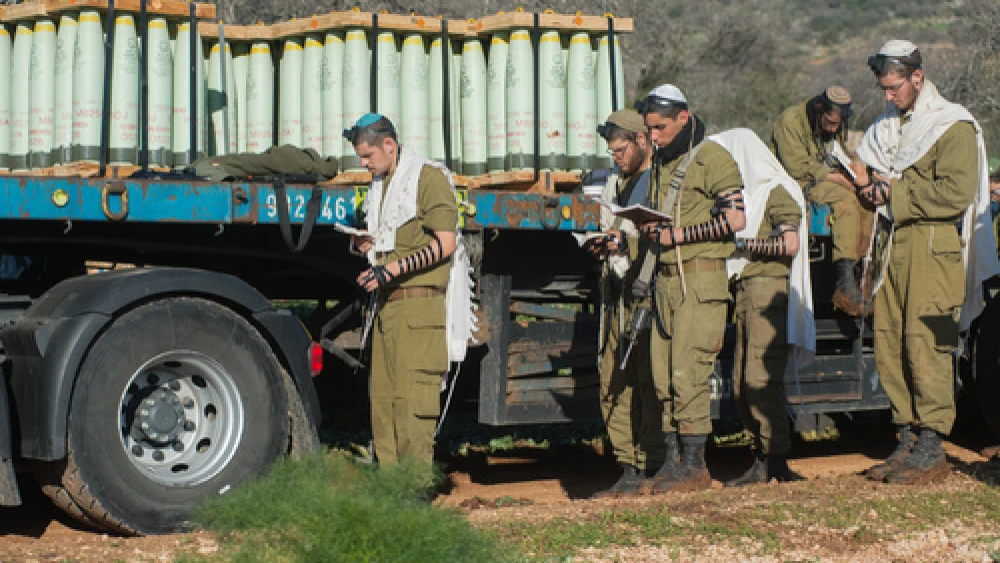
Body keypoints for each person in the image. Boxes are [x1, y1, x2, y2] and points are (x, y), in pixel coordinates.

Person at [857, 40, 1000, 484]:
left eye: (895, 87)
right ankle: (908, 436)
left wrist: (893, 192)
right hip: (891, 244)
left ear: (917, 78)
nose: (888, 96)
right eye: (883, 88)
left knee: (926, 343)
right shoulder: (885, 128)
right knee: (890, 341)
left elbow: (956, 193)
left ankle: (933, 442)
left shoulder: (951, 125)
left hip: (933, 245)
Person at [633, 84, 746, 493]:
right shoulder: (663, 162)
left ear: (683, 118)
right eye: (649, 129)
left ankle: (695, 465)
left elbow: (736, 218)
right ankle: (673, 461)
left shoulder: (712, 157)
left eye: (660, 128)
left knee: (689, 372)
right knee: (663, 375)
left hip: (699, 279)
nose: (654, 137)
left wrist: (677, 236)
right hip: (665, 281)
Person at [346, 113, 472, 465]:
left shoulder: (428, 177)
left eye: (368, 155)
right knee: (383, 404)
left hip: (419, 307)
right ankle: (391, 485)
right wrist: (367, 246)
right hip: (387, 305)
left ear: (389, 145)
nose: (364, 163)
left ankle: (415, 486)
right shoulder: (382, 184)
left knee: (412, 403)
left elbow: (445, 243)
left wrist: (392, 269)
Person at [709, 129, 815, 486]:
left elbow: (789, 243)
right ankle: (762, 455)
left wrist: (744, 246)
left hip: (768, 289)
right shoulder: (752, 195)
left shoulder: (777, 189)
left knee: (761, 379)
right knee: (742, 382)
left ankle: (775, 458)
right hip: (747, 290)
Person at [586, 109, 658, 497]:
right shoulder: (614, 183)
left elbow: (663, 237)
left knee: (647, 380)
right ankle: (627, 465)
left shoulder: (660, 181)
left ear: (640, 140)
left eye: (620, 150)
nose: (616, 158)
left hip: (646, 294)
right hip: (616, 294)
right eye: (611, 152)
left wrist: (625, 242)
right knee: (613, 379)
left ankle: (650, 464)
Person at [771, 86, 871, 315]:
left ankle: (862, 276)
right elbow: (796, 167)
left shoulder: (831, 125)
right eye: (830, 123)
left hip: (824, 177)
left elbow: (840, 151)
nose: (834, 129)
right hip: (797, 182)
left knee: (866, 199)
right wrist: (836, 178)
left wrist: (854, 168)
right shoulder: (790, 122)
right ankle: (844, 284)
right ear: (819, 109)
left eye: (838, 124)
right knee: (845, 201)